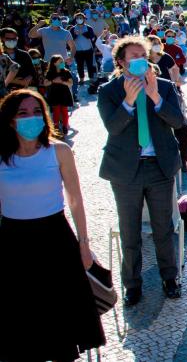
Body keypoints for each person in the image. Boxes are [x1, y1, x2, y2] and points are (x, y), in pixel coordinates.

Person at [0, 90, 106, 361]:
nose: (31, 118)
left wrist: (84, 244)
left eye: (36, 111)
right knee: (21, 315)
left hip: (55, 239)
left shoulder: (58, 151)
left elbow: (75, 199)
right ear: (10, 120)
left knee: (60, 314)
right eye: (22, 113)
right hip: (13, 241)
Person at [97, 36, 185, 307]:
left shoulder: (165, 87)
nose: (139, 60)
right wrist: (128, 101)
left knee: (163, 228)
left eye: (142, 55)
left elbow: (177, 121)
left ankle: (170, 278)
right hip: (125, 172)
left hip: (158, 167)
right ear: (122, 62)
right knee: (130, 231)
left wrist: (155, 96)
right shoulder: (109, 91)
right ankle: (132, 284)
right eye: (133, 56)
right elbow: (112, 127)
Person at [44, 55, 74, 134]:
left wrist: (63, 82)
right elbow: (45, 83)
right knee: (56, 111)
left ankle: (65, 126)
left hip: (64, 94)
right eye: (60, 62)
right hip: (54, 94)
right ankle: (56, 126)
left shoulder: (66, 72)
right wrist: (53, 81)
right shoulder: (50, 73)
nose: (62, 63)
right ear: (54, 63)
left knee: (64, 110)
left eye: (62, 61)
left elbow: (71, 83)